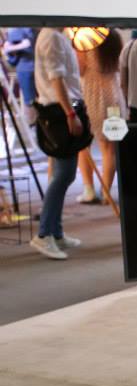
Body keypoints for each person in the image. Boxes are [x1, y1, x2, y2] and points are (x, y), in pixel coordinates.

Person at [30, 28, 86, 259]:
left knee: (65, 174)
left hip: (63, 109)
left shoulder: (59, 35)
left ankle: (55, 231)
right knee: (63, 175)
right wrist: (70, 114)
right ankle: (44, 234)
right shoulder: (51, 36)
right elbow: (56, 79)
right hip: (59, 113)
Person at [77, 29, 124, 203]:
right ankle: (106, 193)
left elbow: (80, 69)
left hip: (92, 97)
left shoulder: (85, 40)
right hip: (114, 96)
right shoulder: (115, 37)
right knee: (110, 148)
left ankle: (89, 190)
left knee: (83, 145)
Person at [2, 27, 38, 128]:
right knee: (30, 101)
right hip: (27, 68)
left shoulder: (31, 28)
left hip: (37, 67)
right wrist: (22, 45)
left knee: (38, 100)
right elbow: (7, 48)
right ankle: (32, 125)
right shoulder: (16, 29)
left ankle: (35, 125)